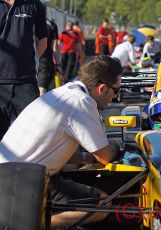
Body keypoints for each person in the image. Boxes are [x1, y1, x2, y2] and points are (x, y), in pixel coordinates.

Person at [0, 56, 122, 227]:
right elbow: (105, 156)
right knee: (103, 204)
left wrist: (83, 157)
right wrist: (119, 146)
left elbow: (47, 149)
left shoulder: (64, 91)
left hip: (14, 173)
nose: (116, 97)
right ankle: (31, 223)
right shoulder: (81, 102)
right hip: (21, 182)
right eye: (116, 90)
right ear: (102, 88)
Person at [0, 0, 47, 140]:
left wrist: (29, 64)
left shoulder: (34, 4)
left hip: (25, 83)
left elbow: (43, 41)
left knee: (34, 135)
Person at [38, 6, 61, 96]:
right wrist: (58, 64)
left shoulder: (28, 22)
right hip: (45, 62)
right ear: (46, 11)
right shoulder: (51, 25)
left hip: (30, 61)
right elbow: (55, 47)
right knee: (42, 90)